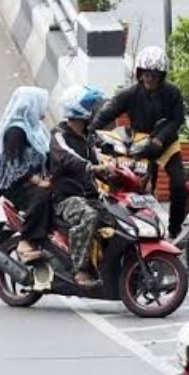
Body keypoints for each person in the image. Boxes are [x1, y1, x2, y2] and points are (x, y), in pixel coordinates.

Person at [89, 46, 188, 239]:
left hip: (166, 144)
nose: (150, 79)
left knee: (179, 186)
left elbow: (177, 120)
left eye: (154, 75)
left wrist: (160, 138)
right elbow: (108, 112)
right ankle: (141, 230)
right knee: (141, 188)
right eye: (146, 74)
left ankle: (175, 229)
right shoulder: (129, 93)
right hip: (140, 146)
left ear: (161, 76)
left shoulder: (173, 93)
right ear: (139, 73)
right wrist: (90, 131)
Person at [49, 84, 112, 288]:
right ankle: (79, 270)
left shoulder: (87, 137)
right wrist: (92, 168)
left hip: (90, 195)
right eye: (91, 107)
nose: (94, 111)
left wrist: (111, 169)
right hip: (66, 198)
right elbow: (68, 157)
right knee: (89, 216)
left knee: (117, 219)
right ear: (79, 110)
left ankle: (105, 267)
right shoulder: (59, 135)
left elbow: (98, 161)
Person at [0, 86, 53, 262]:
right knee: (44, 195)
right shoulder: (16, 131)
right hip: (17, 185)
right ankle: (25, 241)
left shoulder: (36, 129)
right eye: (41, 106)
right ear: (31, 106)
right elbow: (13, 166)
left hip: (35, 180)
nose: (44, 111)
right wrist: (38, 181)